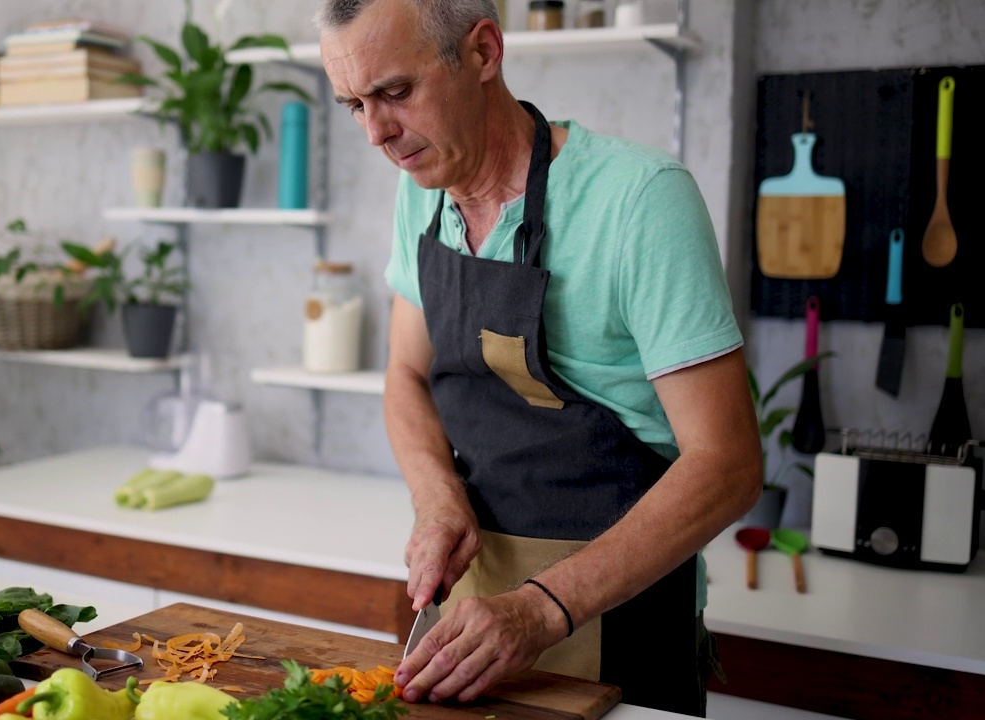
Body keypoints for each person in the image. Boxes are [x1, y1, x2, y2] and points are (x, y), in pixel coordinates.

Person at [315, 0, 763, 715]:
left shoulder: (641, 201)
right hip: (476, 612)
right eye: (354, 105)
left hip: (622, 618)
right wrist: (436, 501)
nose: (377, 133)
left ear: (485, 52)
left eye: (396, 93)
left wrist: (543, 607)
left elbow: (730, 464)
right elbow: (405, 376)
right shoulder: (421, 193)